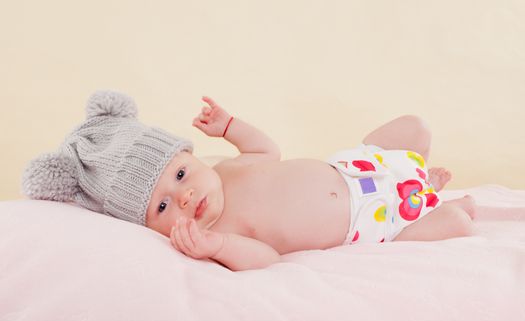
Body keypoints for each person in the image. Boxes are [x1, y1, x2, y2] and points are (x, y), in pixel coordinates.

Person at [22, 91, 475, 271]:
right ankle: (426, 203)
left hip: (356, 167)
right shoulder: (216, 232)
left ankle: (417, 178)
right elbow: (266, 259)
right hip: (369, 222)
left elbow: (267, 151)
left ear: (189, 154)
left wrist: (230, 126)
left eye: (180, 175)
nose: (185, 198)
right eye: (162, 207)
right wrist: (217, 249)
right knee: (457, 222)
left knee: (414, 127)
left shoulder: (227, 169)